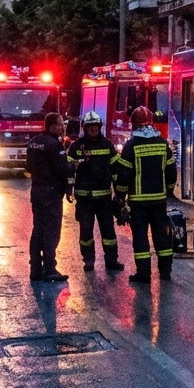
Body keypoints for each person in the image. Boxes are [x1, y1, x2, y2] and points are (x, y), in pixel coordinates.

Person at [112, 105, 176, 284]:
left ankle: (144, 274)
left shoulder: (131, 145)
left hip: (138, 202)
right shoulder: (162, 143)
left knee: (140, 238)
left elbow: (124, 175)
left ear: (134, 125)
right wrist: (168, 191)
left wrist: (120, 196)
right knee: (162, 236)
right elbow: (171, 171)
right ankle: (165, 271)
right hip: (159, 200)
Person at [68, 111, 125, 274]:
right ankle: (88, 260)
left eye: (95, 126)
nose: (93, 129)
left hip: (104, 199)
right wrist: (68, 189)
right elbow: (68, 170)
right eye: (90, 127)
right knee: (86, 232)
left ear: (99, 127)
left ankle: (111, 261)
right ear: (85, 128)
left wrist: (119, 195)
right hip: (84, 198)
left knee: (108, 232)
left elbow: (116, 171)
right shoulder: (76, 146)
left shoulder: (107, 145)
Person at [26, 113, 71, 283]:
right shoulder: (55, 145)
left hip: (36, 190)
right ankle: (50, 269)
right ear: (51, 126)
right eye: (59, 124)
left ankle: (35, 269)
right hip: (51, 193)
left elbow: (29, 167)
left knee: (38, 229)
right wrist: (71, 167)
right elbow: (63, 169)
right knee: (51, 231)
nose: (62, 127)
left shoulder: (33, 143)